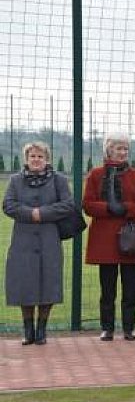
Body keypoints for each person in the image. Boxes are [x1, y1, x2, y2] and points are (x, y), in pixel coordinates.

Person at [3, 142, 75, 345]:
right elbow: (8, 205)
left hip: (49, 238)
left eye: (40, 156)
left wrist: (42, 213)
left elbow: (68, 205)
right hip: (22, 239)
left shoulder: (59, 180)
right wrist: (29, 213)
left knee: (48, 282)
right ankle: (28, 329)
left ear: (47, 159)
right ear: (26, 159)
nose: (36, 160)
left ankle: (42, 329)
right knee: (24, 283)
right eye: (32, 156)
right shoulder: (15, 180)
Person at [83, 134, 135, 341]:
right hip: (105, 239)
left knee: (131, 288)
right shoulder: (96, 175)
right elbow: (88, 205)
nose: (122, 153)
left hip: (132, 239)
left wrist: (125, 208)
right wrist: (108, 208)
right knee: (107, 289)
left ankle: (129, 328)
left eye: (125, 149)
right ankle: (107, 328)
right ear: (108, 150)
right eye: (118, 148)